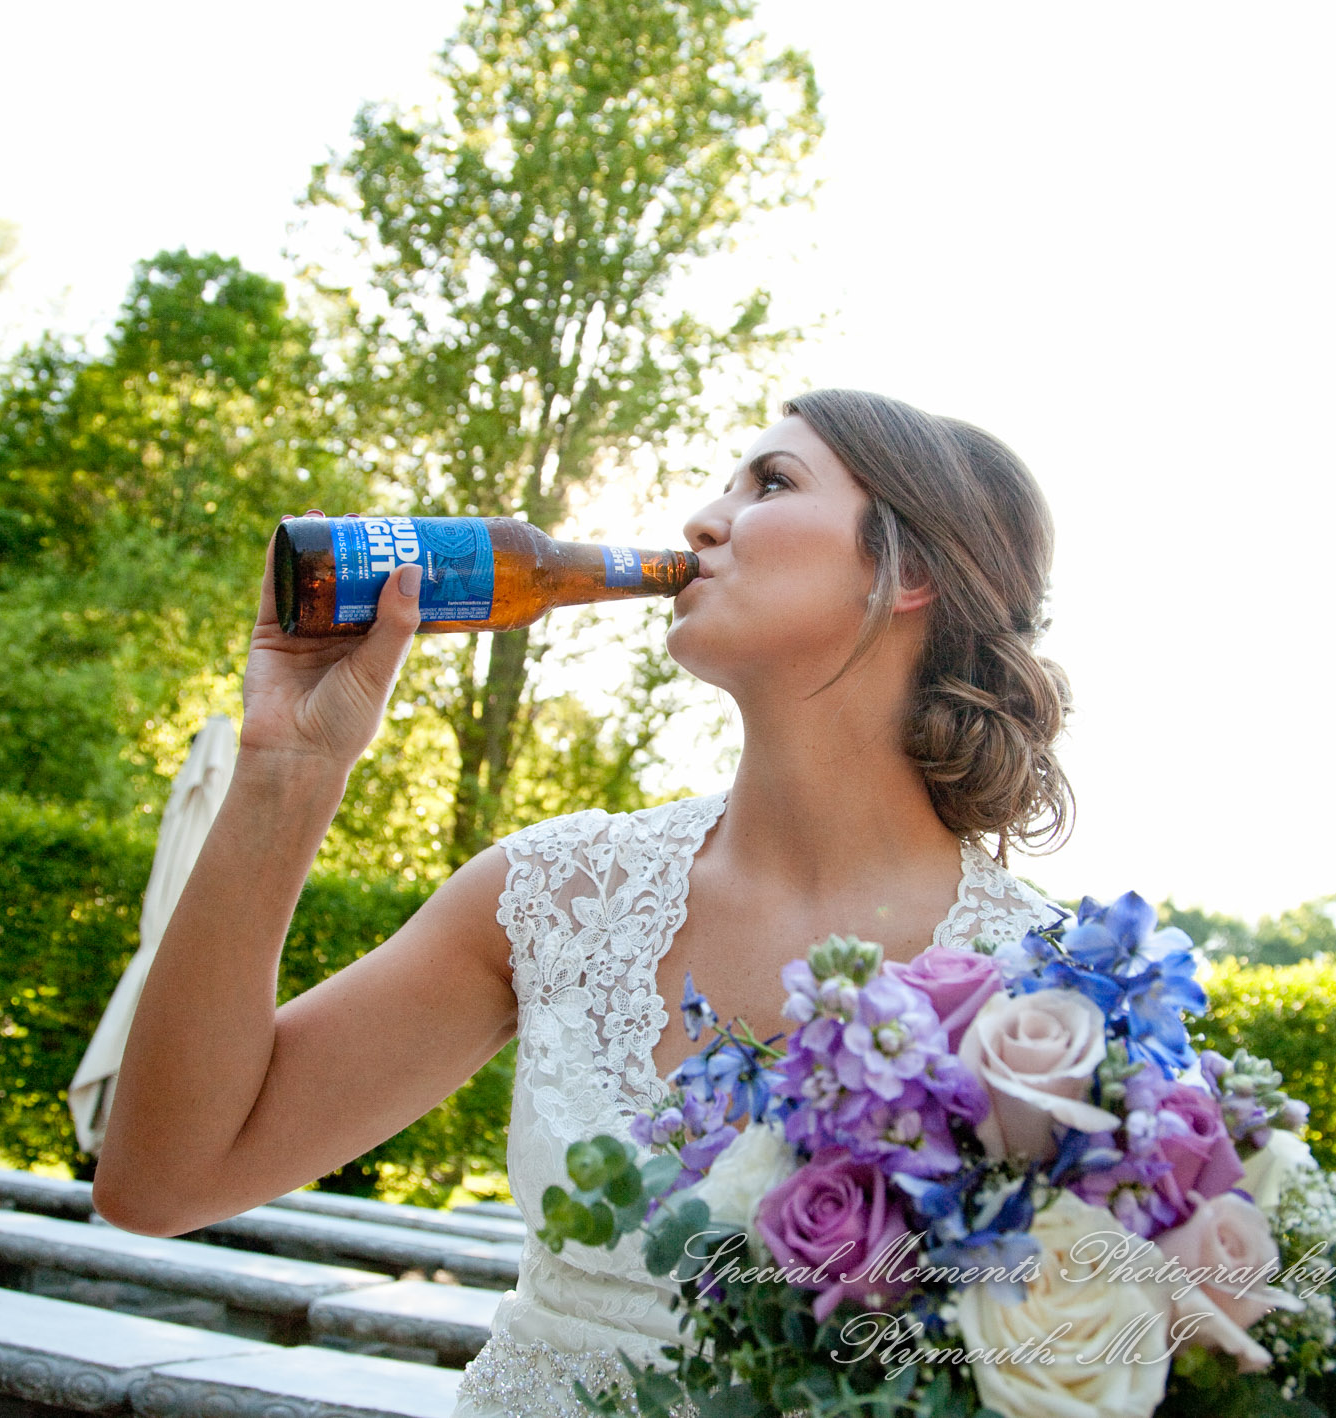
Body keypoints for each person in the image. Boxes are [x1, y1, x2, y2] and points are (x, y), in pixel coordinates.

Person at [92, 388, 1074, 1416]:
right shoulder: (554, 894)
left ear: (910, 570)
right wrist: (286, 765)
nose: (702, 519)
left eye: (772, 482)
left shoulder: (1052, 991)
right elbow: (162, 1179)